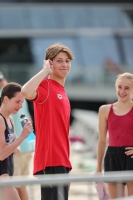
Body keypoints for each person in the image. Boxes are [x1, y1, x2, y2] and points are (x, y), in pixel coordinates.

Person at [21, 43, 74, 200]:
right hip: (50, 160)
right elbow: (25, 91)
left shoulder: (61, 90)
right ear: (50, 63)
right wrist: (44, 71)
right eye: (59, 60)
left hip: (61, 160)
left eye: (67, 60)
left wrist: (67, 166)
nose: (64, 64)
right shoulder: (46, 85)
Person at [95, 72, 133, 199]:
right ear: (116, 87)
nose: (122, 91)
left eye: (127, 88)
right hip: (112, 157)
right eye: (120, 87)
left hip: (131, 156)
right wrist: (98, 168)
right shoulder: (105, 110)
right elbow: (101, 141)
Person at [0, 71, 35, 200]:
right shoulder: (1, 120)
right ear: (5, 99)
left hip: (7, 174)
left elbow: (17, 150)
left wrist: (18, 145)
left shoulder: (10, 119)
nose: (20, 106)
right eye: (18, 102)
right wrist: (22, 137)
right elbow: (2, 154)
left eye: (22, 102)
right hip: (2, 176)